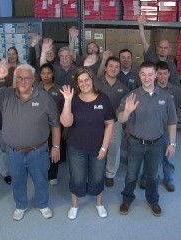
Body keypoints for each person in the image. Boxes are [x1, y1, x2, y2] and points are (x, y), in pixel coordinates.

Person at [0, 61, 61, 221]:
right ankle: (21, 205)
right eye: (19, 78)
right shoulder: (6, 94)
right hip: (13, 152)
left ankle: (42, 203)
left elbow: (55, 124)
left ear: (33, 79)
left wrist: (56, 146)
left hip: (38, 151)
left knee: (41, 180)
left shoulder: (45, 98)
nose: (23, 82)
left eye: (26, 78)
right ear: (15, 79)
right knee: (17, 181)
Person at [117, 61, 178, 217]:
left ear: (156, 75)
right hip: (135, 143)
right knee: (131, 174)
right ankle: (127, 199)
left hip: (157, 144)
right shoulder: (131, 96)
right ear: (139, 75)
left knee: (152, 175)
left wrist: (172, 143)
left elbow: (172, 122)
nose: (147, 78)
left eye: (150, 74)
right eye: (143, 74)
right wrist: (127, 112)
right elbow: (121, 119)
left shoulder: (166, 97)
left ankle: (153, 200)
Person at [60, 67, 115, 219]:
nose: (84, 83)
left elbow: (110, 123)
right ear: (77, 84)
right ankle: (75, 205)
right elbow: (66, 123)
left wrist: (104, 147)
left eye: (87, 80)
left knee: (97, 177)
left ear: (92, 80)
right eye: (80, 81)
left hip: (98, 147)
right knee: (77, 178)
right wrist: (68, 101)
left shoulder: (103, 99)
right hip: (76, 148)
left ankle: (99, 203)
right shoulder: (73, 99)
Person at [139, 61, 181, 192]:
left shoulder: (176, 91)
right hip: (152, 129)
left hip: (167, 130)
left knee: (167, 156)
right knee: (148, 155)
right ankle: (145, 178)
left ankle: (169, 179)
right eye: (159, 73)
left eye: (165, 73)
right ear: (155, 75)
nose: (162, 76)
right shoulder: (149, 88)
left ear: (169, 74)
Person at [96, 56, 130, 187]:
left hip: (115, 123)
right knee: (97, 147)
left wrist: (127, 127)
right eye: (111, 66)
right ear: (105, 67)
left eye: (116, 67)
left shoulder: (124, 88)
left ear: (119, 69)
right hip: (97, 122)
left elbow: (127, 110)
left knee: (114, 149)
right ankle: (97, 171)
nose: (113, 69)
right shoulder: (96, 85)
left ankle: (110, 174)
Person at [37, 63, 65, 185]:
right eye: (43, 73)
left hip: (55, 128)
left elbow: (64, 110)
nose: (46, 75)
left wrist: (66, 129)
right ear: (40, 75)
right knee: (39, 153)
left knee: (55, 150)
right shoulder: (34, 89)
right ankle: (40, 174)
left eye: (48, 73)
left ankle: (53, 175)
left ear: (52, 74)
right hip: (38, 129)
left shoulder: (60, 90)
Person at [138, 15, 180, 86]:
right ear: (158, 48)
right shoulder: (151, 57)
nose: (163, 49)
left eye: (165, 48)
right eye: (161, 47)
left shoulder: (172, 66)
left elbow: (175, 85)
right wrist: (140, 25)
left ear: (169, 50)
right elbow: (144, 41)